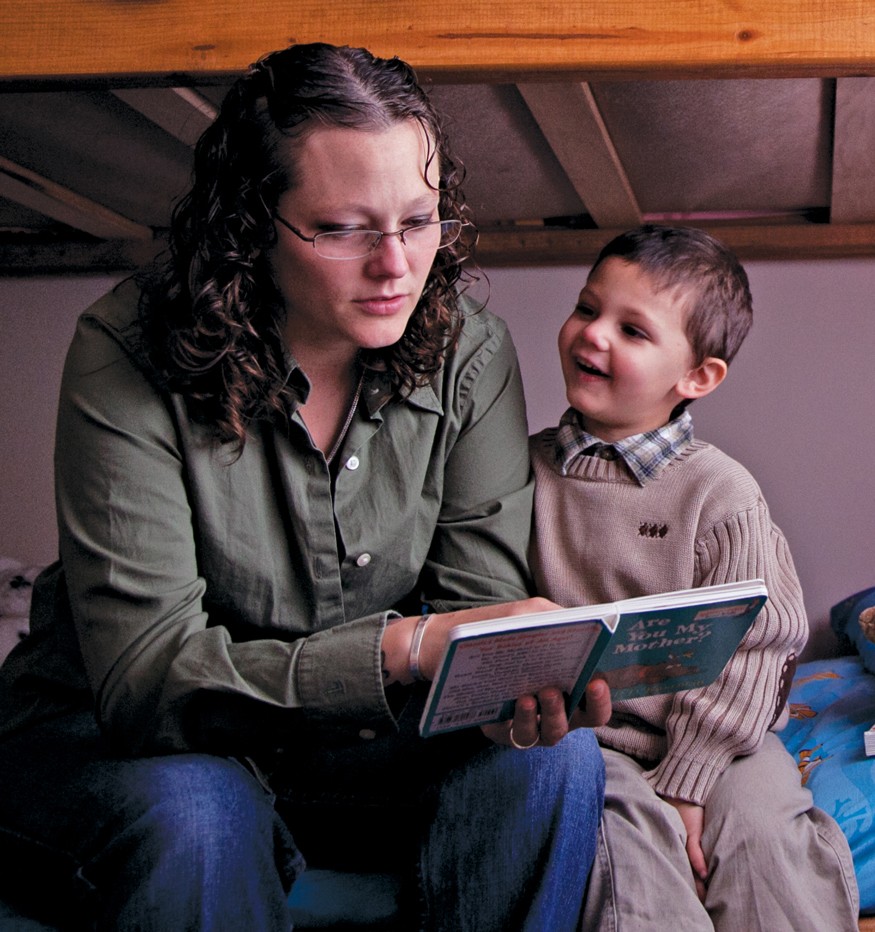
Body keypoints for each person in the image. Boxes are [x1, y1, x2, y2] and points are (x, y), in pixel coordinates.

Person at [0, 43, 610, 932]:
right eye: (342, 229)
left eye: (419, 219)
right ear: (252, 223)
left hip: (363, 755)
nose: (397, 265)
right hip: (135, 746)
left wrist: (518, 687)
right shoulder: (124, 351)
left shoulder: (470, 352)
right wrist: (409, 647)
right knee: (198, 814)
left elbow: (477, 615)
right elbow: (149, 685)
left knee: (557, 765)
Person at [529, 225, 860, 931]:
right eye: (587, 309)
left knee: (765, 840)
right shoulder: (520, 475)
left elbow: (757, 647)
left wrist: (687, 783)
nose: (593, 336)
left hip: (726, 738)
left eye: (632, 330)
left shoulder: (720, 494)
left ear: (697, 377)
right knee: (624, 851)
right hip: (595, 743)